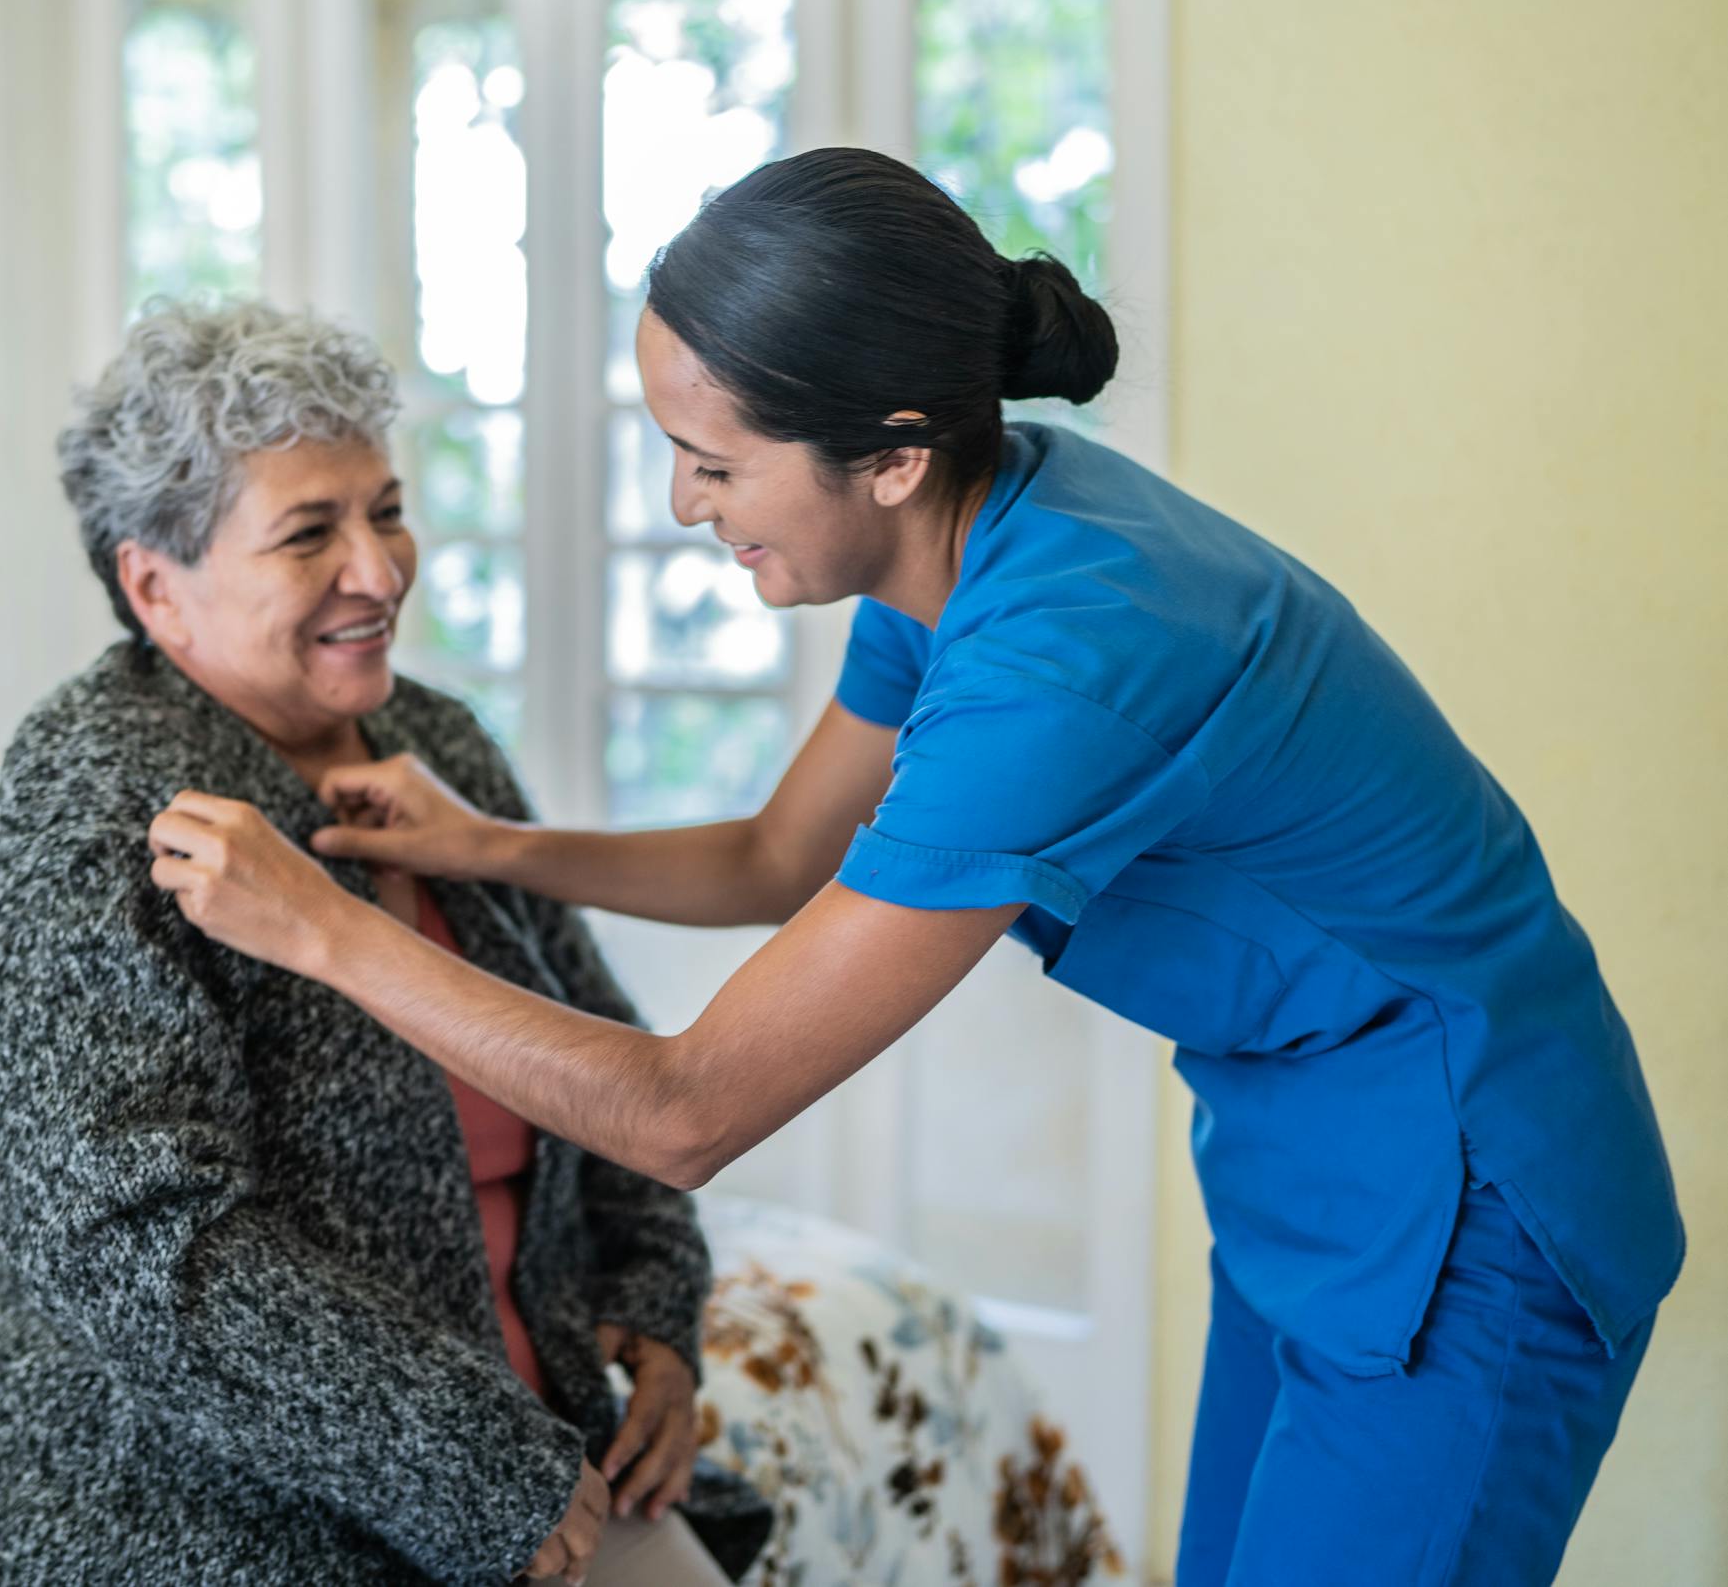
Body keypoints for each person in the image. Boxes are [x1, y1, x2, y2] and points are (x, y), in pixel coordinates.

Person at [147, 149, 1682, 1586]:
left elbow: (688, 1113)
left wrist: (326, 932)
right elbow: (777, 855)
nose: (685, 504)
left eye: (714, 464)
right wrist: (493, 848)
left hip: (1470, 1187)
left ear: (885, 457)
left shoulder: (1067, 652)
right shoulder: (947, 548)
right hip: (1307, 1157)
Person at [0, 301, 768, 1587]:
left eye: (383, 510)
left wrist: (659, 1312)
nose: (378, 571)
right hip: (199, 1494)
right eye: (308, 533)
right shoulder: (94, 797)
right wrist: (469, 1464)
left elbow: (598, 1053)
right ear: (156, 584)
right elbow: (135, 1238)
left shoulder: (428, 738)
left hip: (533, 1437)